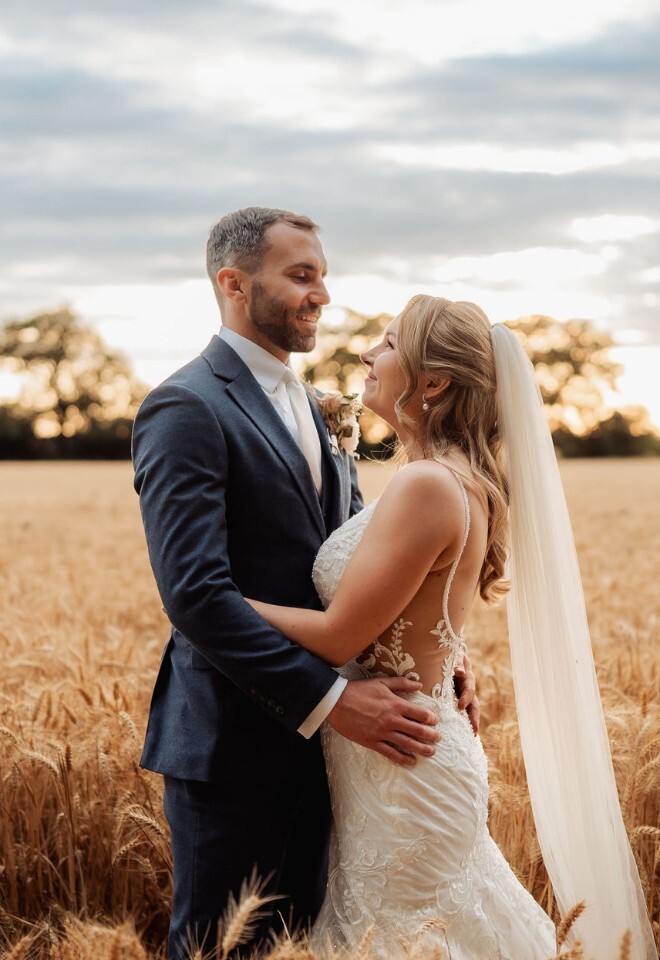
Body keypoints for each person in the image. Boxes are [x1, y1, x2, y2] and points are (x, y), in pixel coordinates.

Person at [248, 296, 656, 960]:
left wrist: (215, 601)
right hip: (401, 754)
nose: (364, 354)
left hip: (405, 770)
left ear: (433, 382)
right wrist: (447, 653)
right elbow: (423, 605)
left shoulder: (428, 486)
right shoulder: (441, 479)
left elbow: (339, 637)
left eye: (386, 342)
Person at [131, 209, 478, 959]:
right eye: (301, 275)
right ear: (233, 283)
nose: (322, 293)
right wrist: (333, 702)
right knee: (227, 948)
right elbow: (194, 593)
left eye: (322, 273)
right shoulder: (187, 407)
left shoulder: (318, 407)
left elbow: (361, 559)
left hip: (350, 754)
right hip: (239, 746)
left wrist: (434, 656)